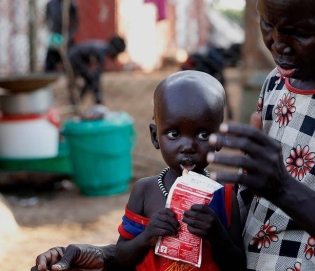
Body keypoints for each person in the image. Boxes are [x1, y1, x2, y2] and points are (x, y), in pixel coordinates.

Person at [32, 0, 315, 270]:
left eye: (301, 32)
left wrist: (283, 188)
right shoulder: (280, 83)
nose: (279, 46)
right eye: (268, 24)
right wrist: (99, 257)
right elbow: (237, 224)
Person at [31, 70, 246, 271]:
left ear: (220, 139)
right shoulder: (145, 191)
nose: (188, 146)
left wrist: (216, 234)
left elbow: (237, 265)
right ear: (155, 137)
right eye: (173, 134)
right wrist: (148, 236)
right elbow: (123, 257)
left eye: (203, 135)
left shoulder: (225, 196)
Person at [67, 36, 126, 105]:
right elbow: (97, 74)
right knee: (91, 79)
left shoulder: (102, 47)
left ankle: (77, 101)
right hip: (74, 59)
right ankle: (80, 101)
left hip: (75, 57)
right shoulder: (102, 51)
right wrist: (98, 93)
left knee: (90, 79)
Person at [44, 0, 79, 72]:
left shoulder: (71, 4)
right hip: (55, 36)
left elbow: (76, 23)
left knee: (71, 59)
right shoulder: (50, 4)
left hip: (66, 37)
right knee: (50, 61)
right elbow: (47, 20)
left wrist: (68, 36)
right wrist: (52, 34)